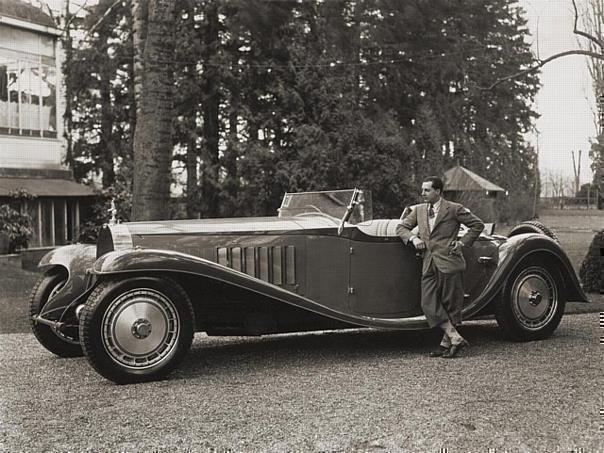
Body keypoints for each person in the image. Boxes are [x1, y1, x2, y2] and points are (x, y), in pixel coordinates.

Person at [396, 176, 484, 358]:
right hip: (428, 262)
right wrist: (414, 238)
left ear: (438, 191)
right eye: (422, 190)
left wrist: (462, 244)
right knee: (428, 303)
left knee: (451, 305)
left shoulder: (454, 209)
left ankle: (446, 344)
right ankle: (455, 337)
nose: (422, 194)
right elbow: (401, 227)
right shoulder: (419, 210)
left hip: (450, 262)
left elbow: (477, 225)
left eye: (427, 190)